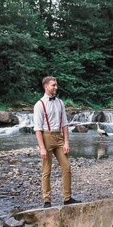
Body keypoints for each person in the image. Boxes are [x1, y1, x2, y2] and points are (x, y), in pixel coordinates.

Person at [33, 76, 81, 208]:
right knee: (46, 170)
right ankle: (47, 200)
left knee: (67, 167)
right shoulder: (39, 105)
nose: (56, 87)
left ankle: (67, 198)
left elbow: (65, 123)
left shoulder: (60, 102)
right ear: (46, 87)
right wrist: (42, 148)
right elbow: (37, 129)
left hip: (59, 137)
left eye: (56, 85)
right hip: (46, 137)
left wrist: (66, 142)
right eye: (53, 85)